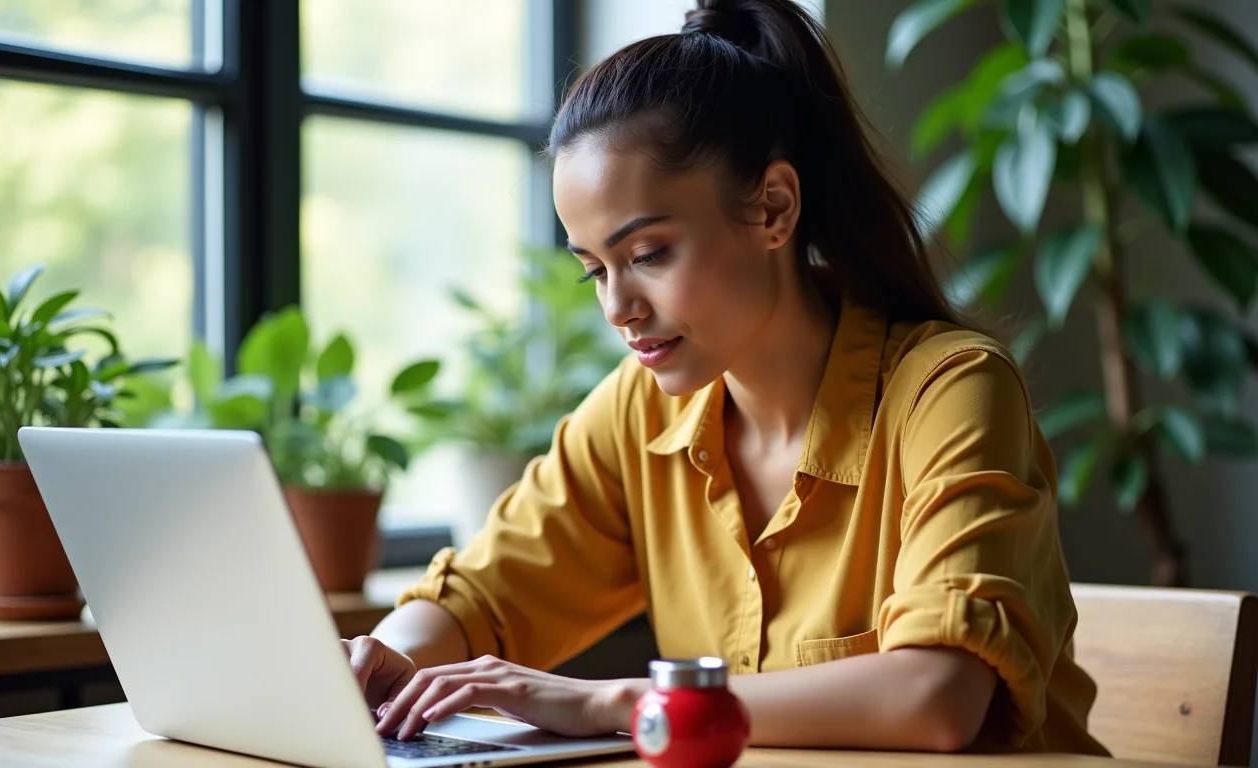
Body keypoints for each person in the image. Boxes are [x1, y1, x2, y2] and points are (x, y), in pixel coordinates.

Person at [344, 0, 1107, 755]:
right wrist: (392, 655)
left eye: (647, 255)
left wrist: (620, 702)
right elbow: (482, 594)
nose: (619, 308)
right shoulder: (639, 413)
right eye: (593, 272)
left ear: (774, 207)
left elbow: (938, 697)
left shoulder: (952, 390)